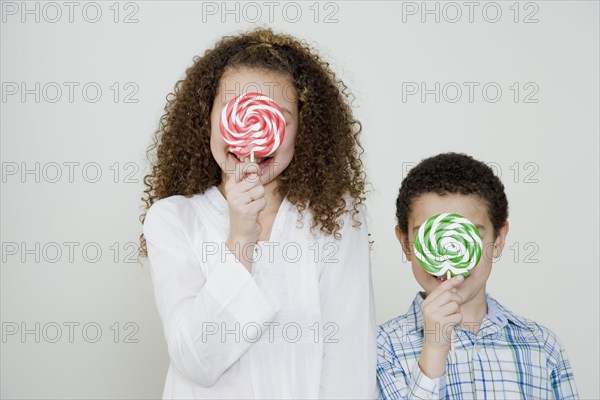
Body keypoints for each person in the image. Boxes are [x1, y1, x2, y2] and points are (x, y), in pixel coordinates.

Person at [139, 28, 376, 399]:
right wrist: (240, 239)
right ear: (209, 118)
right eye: (237, 110)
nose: (252, 128)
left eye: (277, 116)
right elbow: (196, 361)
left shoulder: (336, 216)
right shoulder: (171, 219)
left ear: (302, 130)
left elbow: (348, 358)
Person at [377, 152, 578, 399]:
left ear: (499, 239)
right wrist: (434, 350)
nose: (448, 253)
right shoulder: (381, 348)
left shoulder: (542, 347)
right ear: (406, 244)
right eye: (428, 235)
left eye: (469, 234)